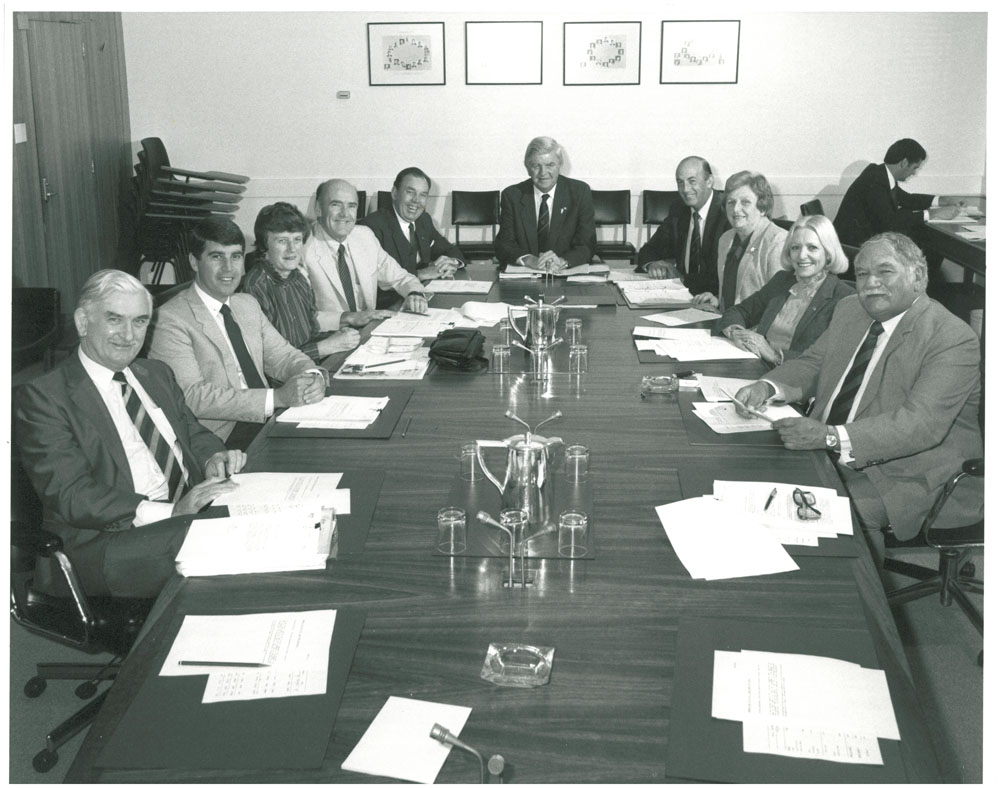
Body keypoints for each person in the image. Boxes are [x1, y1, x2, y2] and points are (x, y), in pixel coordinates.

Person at [733, 232, 981, 560]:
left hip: (912, 471)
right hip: (832, 447)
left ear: (918, 277)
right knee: (753, 480)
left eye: (885, 271)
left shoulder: (951, 337)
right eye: (862, 273)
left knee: (836, 514)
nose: (870, 283)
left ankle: (860, 607)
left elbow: (920, 425)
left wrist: (832, 437)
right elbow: (812, 364)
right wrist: (767, 386)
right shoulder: (851, 309)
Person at [13, 270, 246, 597]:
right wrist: (171, 513)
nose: (128, 334)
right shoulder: (43, 397)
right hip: (103, 543)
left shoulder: (155, 374)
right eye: (114, 319)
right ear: (82, 322)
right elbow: (72, 495)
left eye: (139, 322)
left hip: (187, 512)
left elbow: (191, 432)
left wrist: (213, 457)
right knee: (233, 545)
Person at [149, 216, 326, 449]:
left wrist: (312, 376)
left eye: (235, 257)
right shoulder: (169, 320)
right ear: (194, 261)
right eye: (216, 257)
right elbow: (192, 397)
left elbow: (283, 356)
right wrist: (277, 398)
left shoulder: (246, 304)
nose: (228, 268)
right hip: (221, 438)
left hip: (268, 418)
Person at [714, 215, 855, 365]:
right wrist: (737, 332)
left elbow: (831, 360)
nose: (801, 255)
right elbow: (740, 311)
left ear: (828, 253)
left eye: (812, 248)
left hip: (795, 381)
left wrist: (775, 355)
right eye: (795, 248)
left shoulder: (844, 298)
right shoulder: (783, 281)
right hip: (757, 366)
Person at [241, 202, 360, 363]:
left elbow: (310, 333)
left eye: (297, 239)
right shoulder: (254, 287)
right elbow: (268, 361)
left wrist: (338, 335)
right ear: (264, 244)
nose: (292, 249)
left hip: (309, 367)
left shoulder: (298, 278)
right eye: (282, 241)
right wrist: (325, 347)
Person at [304, 178, 428, 328]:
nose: (345, 214)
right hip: (328, 338)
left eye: (351, 206)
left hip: (369, 333)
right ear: (318, 208)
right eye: (335, 205)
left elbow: (401, 277)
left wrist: (414, 293)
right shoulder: (302, 248)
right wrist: (348, 317)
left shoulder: (364, 236)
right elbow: (300, 316)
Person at [494, 136, 596, 272]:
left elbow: (587, 244)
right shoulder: (512, 195)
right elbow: (504, 244)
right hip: (525, 278)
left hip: (565, 274)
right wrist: (530, 260)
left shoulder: (580, 192)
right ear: (527, 168)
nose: (543, 173)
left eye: (550, 165)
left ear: (560, 165)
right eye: (536, 166)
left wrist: (562, 261)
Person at [833, 138, 958, 249]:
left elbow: (907, 199)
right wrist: (932, 213)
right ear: (904, 163)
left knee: (921, 241)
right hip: (852, 251)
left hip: (861, 244)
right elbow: (890, 222)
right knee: (925, 244)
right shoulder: (875, 181)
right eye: (915, 167)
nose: (914, 173)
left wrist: (941, 200)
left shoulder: (880, 174)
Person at [636, 156, 730, 298]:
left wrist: (682, 278)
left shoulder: (728, 212)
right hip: (681, 296)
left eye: (692, 181)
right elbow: (649, 249)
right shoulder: (679, 209)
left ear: (709, 181)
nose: (685, 189)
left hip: (715, 299)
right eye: (680, 182)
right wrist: (653, 264)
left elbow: (723, 276)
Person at [359, 166, 466, 286]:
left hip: (422, 293)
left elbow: (449, 249)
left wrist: (452, 262)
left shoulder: (423, 220)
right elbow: (375, 278)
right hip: (390, 301)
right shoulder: (371, 227)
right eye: (410, 192)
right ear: (395, 193)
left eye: (423, 195)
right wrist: (422, 274)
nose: (416, 200)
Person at [702, 171, 787, 311]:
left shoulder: (778, 242)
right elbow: (738, 292)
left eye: (745, 202)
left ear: (762, 207)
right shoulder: (725, 239)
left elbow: (780, 303)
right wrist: (718, 301)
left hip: (755, 330)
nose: (736, 209)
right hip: (728, 323)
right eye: (731, 202)